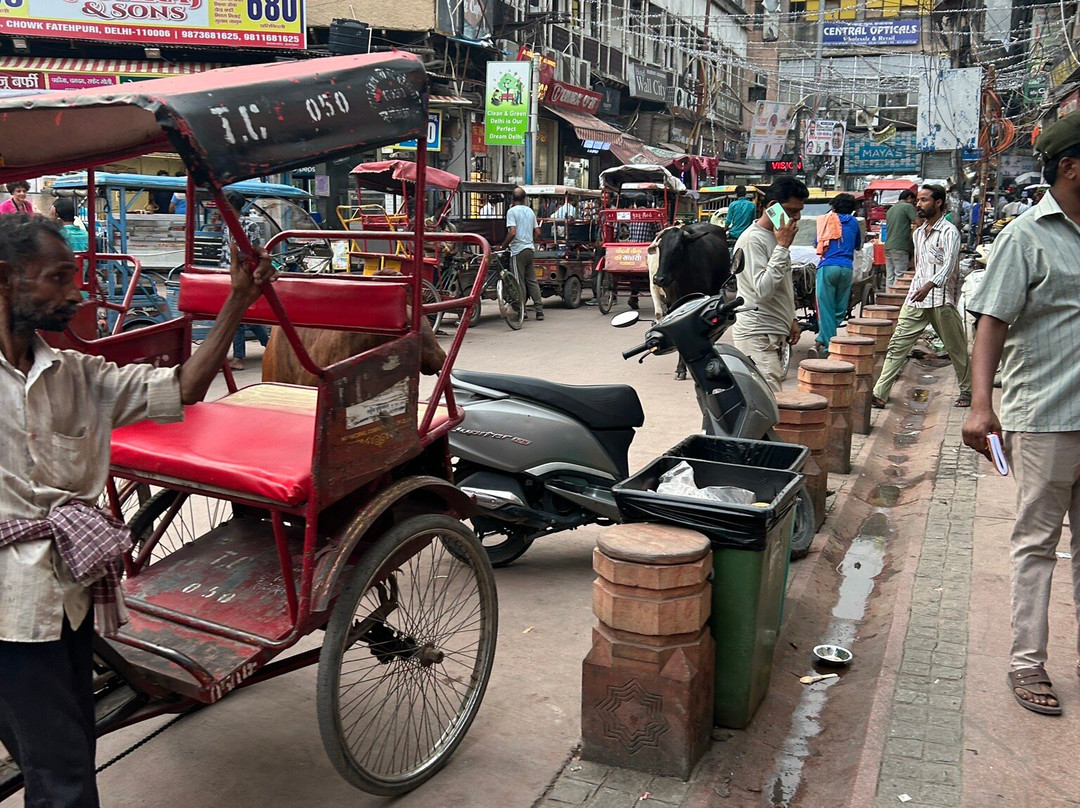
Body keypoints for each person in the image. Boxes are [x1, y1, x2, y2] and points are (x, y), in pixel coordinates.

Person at [0, 211, 274, 808]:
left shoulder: (76, 374)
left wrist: (236, 302)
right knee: (63, 773)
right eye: (58, 277)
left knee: (57, 755)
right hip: (9, 608)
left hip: (66, 596)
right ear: (6, 281)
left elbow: (183, 389)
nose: (77, 292)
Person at [961, 112, 1080, 716]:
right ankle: (1027, 665)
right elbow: (991, 324)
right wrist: (982, 406)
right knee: (1037, 542)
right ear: (1071, 166)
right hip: (1045, 419)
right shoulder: (1025, 237)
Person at [871, 185, 971, 409]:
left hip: (941, 299)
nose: (919, 204)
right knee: (897, 344)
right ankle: (880, 393)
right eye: (918, 200)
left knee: (955, 347)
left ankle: (967, 390)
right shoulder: (918, 233)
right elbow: (919, 266)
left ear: (938, 203)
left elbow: (949, 266)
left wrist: (929, 284)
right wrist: (919, 286)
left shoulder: (949, 232)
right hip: (916, 298)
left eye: (925, 200)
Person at [731, 175, 807, 392]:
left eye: (799, 211)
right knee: (771, 401)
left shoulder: (778, 235)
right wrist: (782, 247)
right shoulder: (752, 239)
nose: (797, 217)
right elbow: (763, 291)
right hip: (757, 334)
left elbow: (782, 283)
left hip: (774, 331)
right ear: (773, 207)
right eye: (792, 211)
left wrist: (791, 318)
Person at [219, 191, 270, 370]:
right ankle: (269, 345)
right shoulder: (227, 225)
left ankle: (238, 358)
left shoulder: (249, 225)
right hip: (228, 272)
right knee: (247, 317)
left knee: (238, 318)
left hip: (244, 274)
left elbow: (254, 250)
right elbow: (226, 250)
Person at [812, 192, 861, 356]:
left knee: (825, 307)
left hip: (827, 267)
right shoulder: (854, 222)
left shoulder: (825, 220)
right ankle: (825, 336)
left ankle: (828, 343)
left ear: (833, 206)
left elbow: (816, 243)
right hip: (846, 268)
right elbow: (857, 245)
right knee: (839, 308)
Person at [499, 186, 543, 320]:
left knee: (519, 281)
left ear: (512, 199)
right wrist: (530, 241)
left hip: (517, 250)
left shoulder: (511, 212)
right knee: (532, 280)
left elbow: (512, 232)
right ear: (524, 199)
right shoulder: (530, 211)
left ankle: (522, 310)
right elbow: (538, 232)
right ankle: (539, 310)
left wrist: (503, 246)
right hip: (530, 249)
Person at [883, 189, 917, 289]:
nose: (915, 204)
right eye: (914, 201)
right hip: (900, 246)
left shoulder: (891, 209)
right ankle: (896, 300)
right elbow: (919, 223)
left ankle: (887, 298)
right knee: (900, 275)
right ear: (909, 198)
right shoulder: (907, 206)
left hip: (888, 246)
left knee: (890, 276)